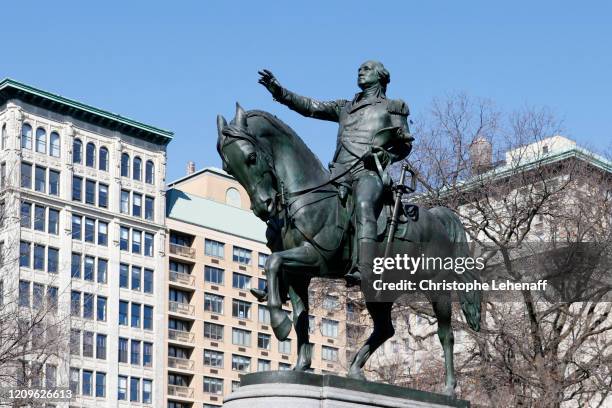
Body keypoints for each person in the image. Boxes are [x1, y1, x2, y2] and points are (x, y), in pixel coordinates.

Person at [258, 61, 411, 286]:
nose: (361, 71)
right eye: (359, 68)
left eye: (367, 68)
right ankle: (281, 280)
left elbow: (405, 144)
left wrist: (386, 156)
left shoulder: (393, 107)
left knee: (363, 204)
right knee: (294, 208)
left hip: (368, 172)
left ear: (381, 76)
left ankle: (365, 267)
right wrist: (280, 92)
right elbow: (310, 106)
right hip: (338, 174)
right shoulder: (345, 107)